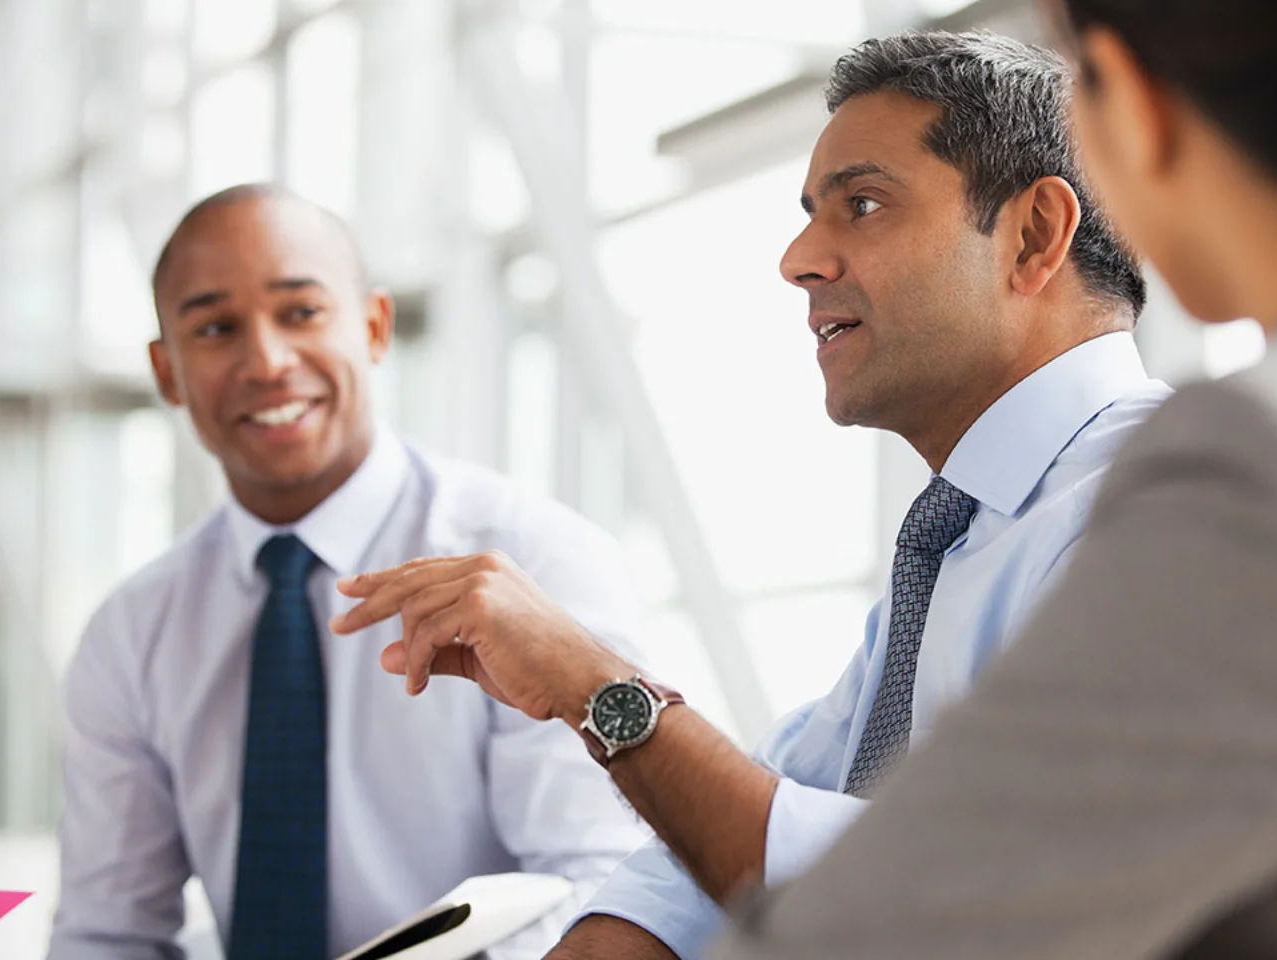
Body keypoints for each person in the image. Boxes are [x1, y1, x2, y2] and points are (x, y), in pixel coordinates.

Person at [328, 32, 1170, 960]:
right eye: (813, 214)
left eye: (862, 204)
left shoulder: (1159, 516)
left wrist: (592, 683)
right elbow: (744, 838)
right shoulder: (955, 537)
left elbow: (942, 897)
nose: (800, 258)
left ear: (1033, 237)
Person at [708, 1, 1277, 957]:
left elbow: (883, 933)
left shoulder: (1271, 468)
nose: (799, 262)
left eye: (860, 204)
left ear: (1130, 104)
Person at [47, 184, 650, 960]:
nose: (266, 360)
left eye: (300, 313)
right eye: (216, 327)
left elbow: (597, 889)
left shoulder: (534, 563)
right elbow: (108, 934)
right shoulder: (132, 633)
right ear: (167, 373)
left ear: (373, 326)